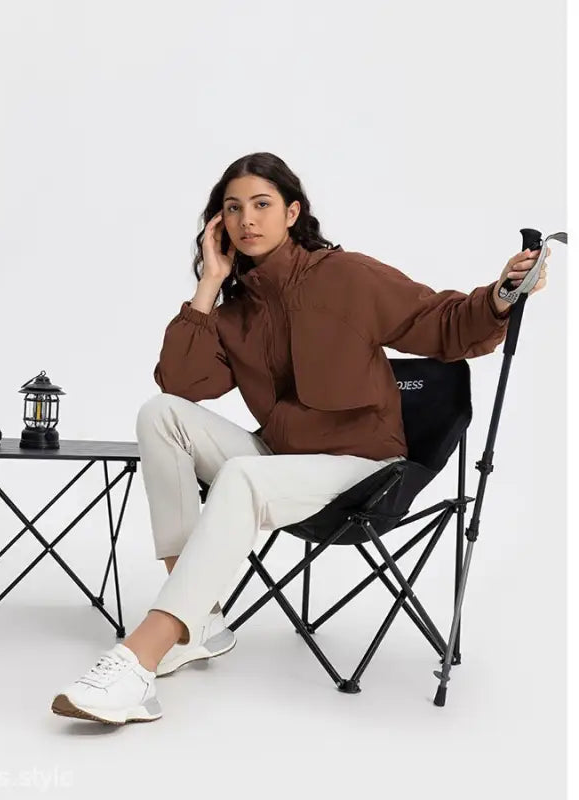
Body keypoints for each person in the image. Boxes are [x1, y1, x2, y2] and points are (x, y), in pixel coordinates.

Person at [51, 152, 550, 725]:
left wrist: (502, 295)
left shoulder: (346, 276)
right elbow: (182, 383)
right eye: (232, 208)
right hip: (281, 460)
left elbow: (442, 322)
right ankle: (200, 619)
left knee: (240, 474)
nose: (247, 219)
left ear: (293, 212)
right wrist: (210, 283)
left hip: (362, 464)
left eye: (262, 204)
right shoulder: (235, 309)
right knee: (160, 414)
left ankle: (140, 657)